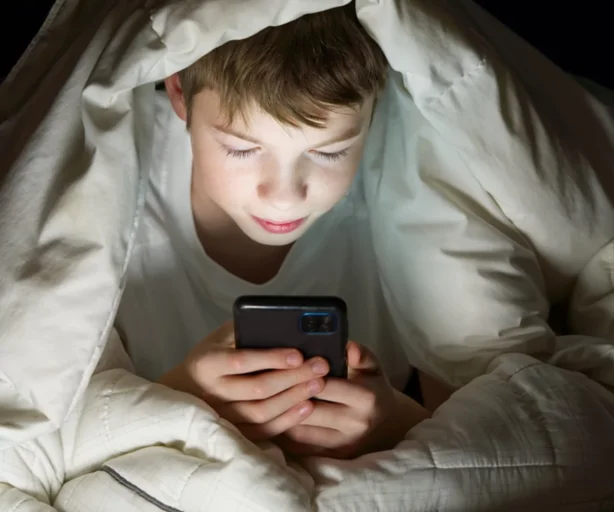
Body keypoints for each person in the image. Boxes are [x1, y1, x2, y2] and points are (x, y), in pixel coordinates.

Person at [114, 4, 439, 459]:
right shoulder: (113, 181)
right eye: (242, 149)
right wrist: (178, 399)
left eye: (330, 152)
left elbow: (470, 421)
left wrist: (395, 423)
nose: (285, 197)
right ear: (179, 93)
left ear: (374, 111)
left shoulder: (415, 180)